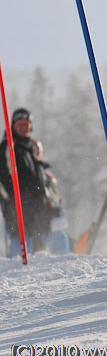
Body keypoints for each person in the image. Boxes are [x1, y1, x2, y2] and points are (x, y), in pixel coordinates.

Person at [0, 108, 69, 257]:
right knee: (24, 251)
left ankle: (63, 272)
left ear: (31, 127)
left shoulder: (30, 150)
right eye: (20, 125)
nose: (24, 128)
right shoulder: (8, 148)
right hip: (19, 213)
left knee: (54, 243)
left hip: (40, 213)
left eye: (26, 125)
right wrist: (11, 198)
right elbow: (3, 178)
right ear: (13, 126)